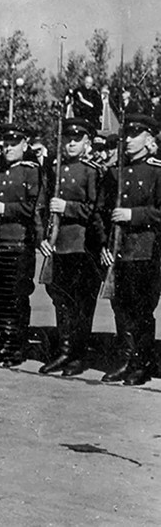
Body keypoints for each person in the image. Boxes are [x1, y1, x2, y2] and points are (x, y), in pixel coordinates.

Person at [96, 114, 161, 386]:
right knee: (120, 309)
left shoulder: (157, 171)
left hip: (146, 251)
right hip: (118, 251)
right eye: (127, 135)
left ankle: (142, 363)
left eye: (136, 135)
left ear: (149, 139)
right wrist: (103, 245)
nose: (129, 140)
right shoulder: (114, 172)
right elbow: (100, 213)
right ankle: (126, 360)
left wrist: (132, 215)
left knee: (142, 310)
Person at [38, 118, 101, 376]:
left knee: (82, 304)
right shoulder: (55, 169)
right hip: (58, 245)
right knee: (60, 301)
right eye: (67, 139)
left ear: (87, 142)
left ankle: (79, 354)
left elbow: (97, 209)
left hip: (82, 246)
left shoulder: (92, 171)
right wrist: (43, 236)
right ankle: (64, 351)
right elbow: (42, 204)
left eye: (77, 139)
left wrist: (68, 208)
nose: (71, 143)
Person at [0, 124, 43, 367]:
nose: (8, 148)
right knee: (1, 295)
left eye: (13, 144)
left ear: (24, 145)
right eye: (5, 144)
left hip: (19, 242)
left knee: (17, 296)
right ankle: (6, 344)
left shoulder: (30, 172)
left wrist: (7, 209)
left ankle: (18, 346)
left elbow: (34, 207)